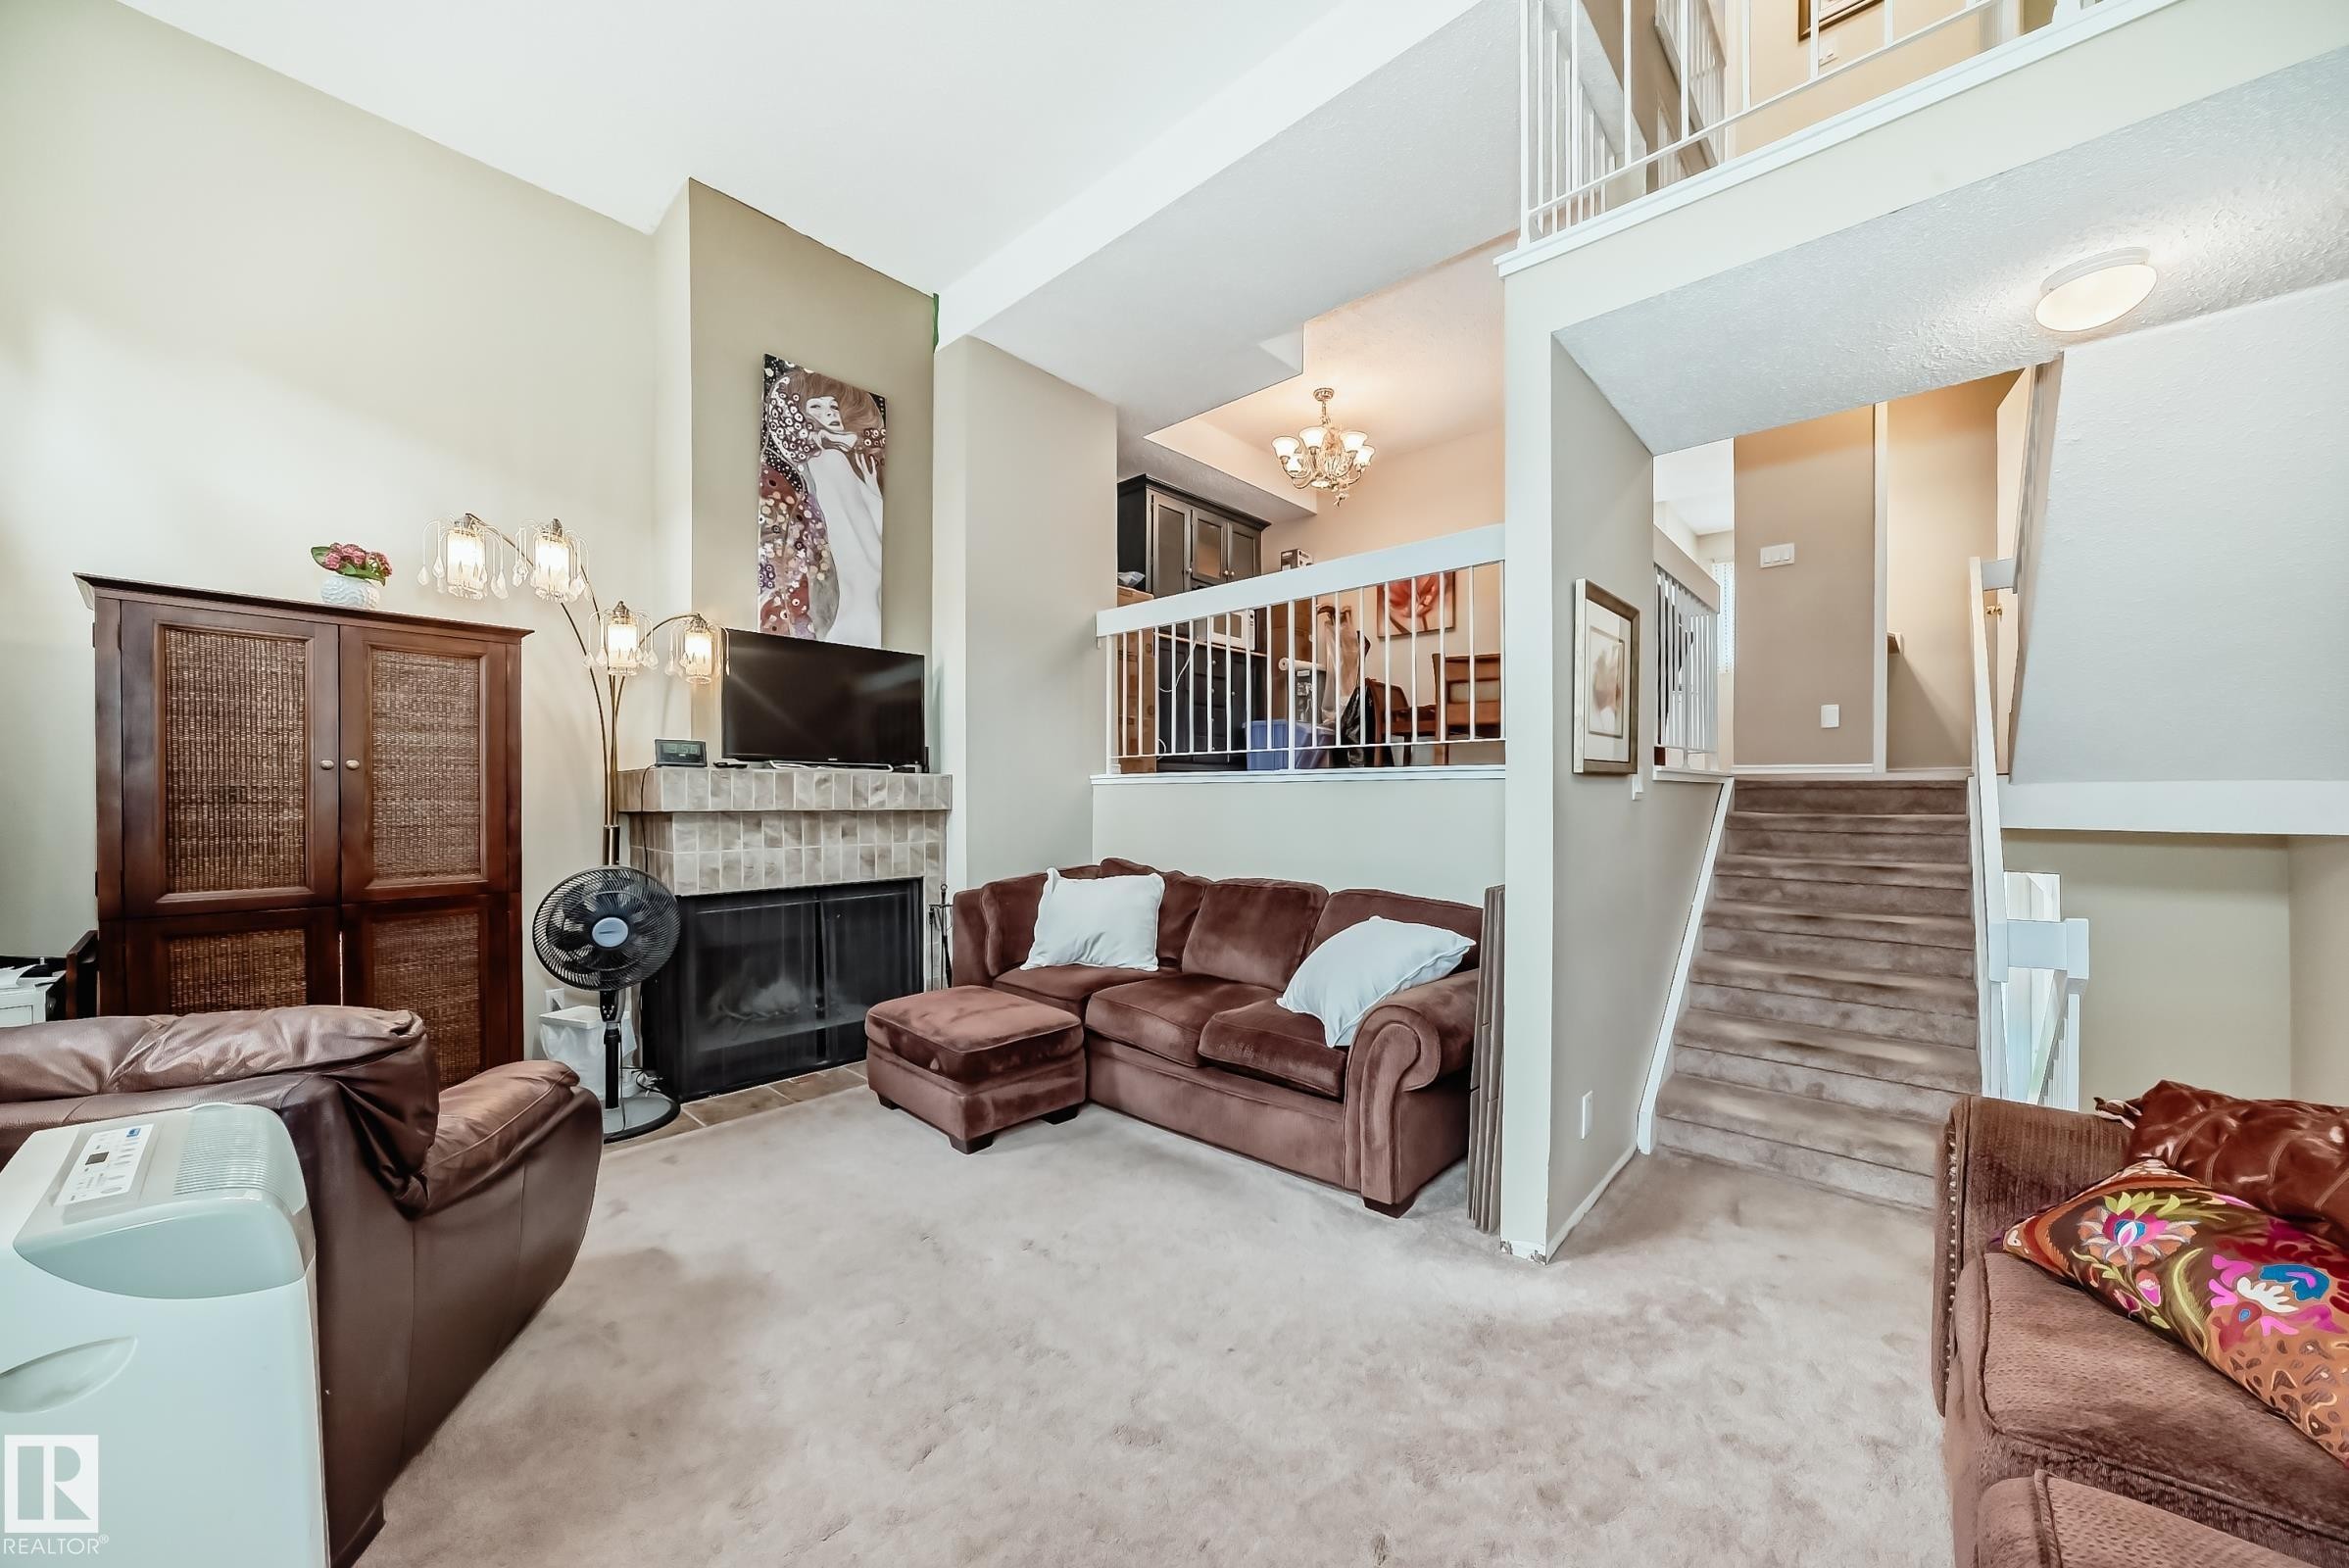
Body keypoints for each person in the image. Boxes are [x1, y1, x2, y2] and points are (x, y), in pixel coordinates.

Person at [798, 392, 885, 646]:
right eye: (817, 406)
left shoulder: (829, 459)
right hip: (864, 580)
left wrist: (871, 487)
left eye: (834, 406)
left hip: (859, 586)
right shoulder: (829, 458)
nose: (830, 413)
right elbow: (869, 522)